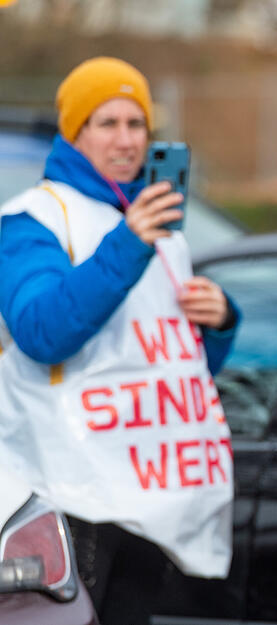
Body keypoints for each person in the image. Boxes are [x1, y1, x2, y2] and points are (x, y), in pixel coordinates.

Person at [0, 57, 239, 625]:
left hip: (146, 496)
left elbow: (173, 367)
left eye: (138, 124)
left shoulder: (158, 229)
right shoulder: (33, 219)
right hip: (71, 493)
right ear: (73, 131)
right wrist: (127, 243)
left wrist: (221, 322)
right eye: (107, 123)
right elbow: (42, 332)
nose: (127, 139)